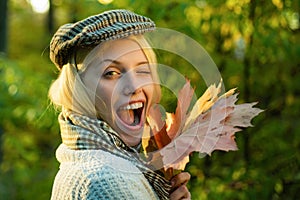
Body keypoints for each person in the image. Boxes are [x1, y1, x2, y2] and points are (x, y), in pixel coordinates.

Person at [48, 9, 191, 199]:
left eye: (142, 70)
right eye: (111, 73)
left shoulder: (84, 158)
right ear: (79, 89)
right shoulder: (104, 180)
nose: (134, 86)